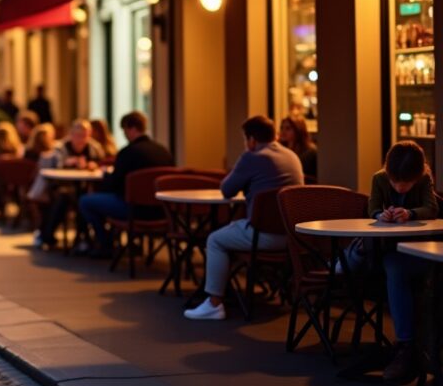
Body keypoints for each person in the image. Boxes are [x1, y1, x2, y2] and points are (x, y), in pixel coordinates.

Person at [185, 115, 303, 321]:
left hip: (263, 236)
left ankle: (214, 303)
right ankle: (226, 290)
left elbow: (226, 190)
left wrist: (244, 159)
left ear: (251, 139)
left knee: (214, 239)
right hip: (293, 236)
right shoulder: (291, 156)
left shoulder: (253, 156)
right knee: (231, 229)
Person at [363, 141, 438, 383]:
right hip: (392, 249)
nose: (400, 187)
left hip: (423, 249)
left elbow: (431, 207)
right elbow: (372, 207)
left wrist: (411, 213)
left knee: (403, 270)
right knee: (395, 266)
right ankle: (406, 346)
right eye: (395, 182)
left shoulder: (425, 180)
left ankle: (418, 348)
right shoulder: (379, 179)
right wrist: (380, 215)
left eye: (406, 184)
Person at [76, 112, 173, 258]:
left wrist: (105, 175)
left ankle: (105, 244)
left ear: (131, 128)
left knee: (85, 201)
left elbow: (114, 185)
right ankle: (126, 243)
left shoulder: (128, 152)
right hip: (162, 210)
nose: (125, 135)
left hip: (133, 209)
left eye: (124, 130)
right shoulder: (164, 151)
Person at [35, 120, 106, 250]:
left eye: (85, 135)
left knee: (85, 199)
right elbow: (55, 167)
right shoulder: (61, 148)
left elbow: (102, 164)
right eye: (78, 135)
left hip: (87, 186)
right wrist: (68, 163)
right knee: (64, 198)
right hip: (63, 185)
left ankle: (86, 238)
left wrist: (93, 165)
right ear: (71, 134)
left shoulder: (94, 148)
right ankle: (48, 235)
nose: (81, 139)